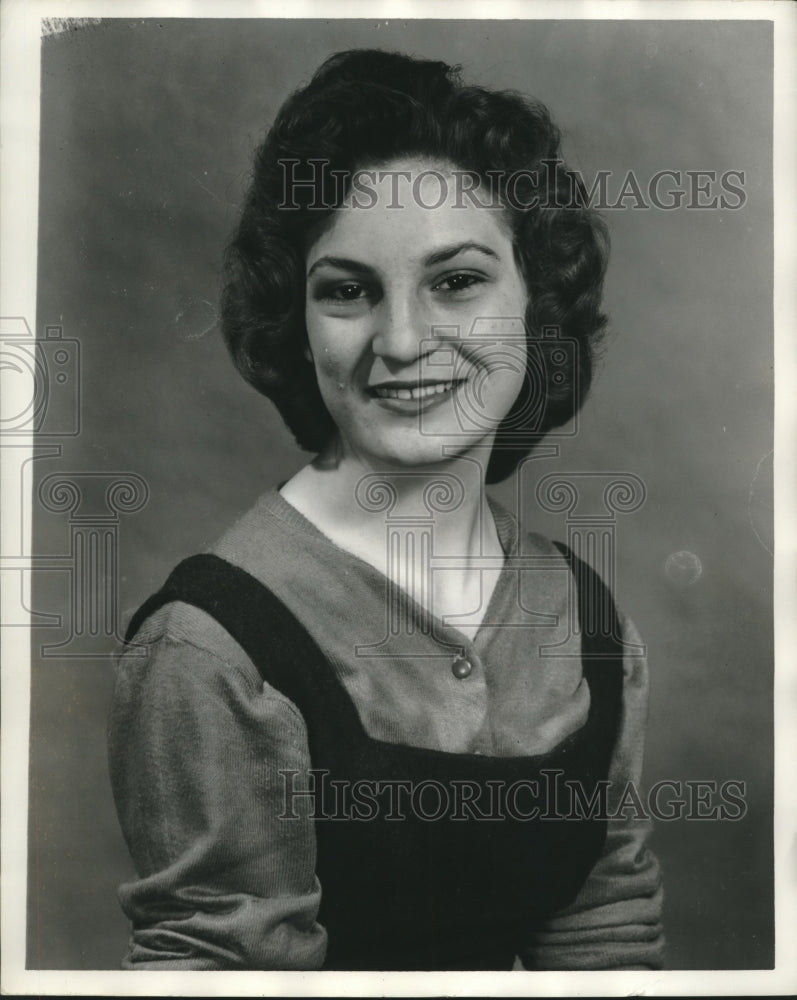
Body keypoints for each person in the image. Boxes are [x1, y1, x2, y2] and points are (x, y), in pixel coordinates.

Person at [108, 48, 665, 971]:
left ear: (536, 302)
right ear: (298, 322)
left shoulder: (590, 621)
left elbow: (604, 926)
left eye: (456, 281)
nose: (401, 340)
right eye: (347, 291)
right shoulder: (210, 647)